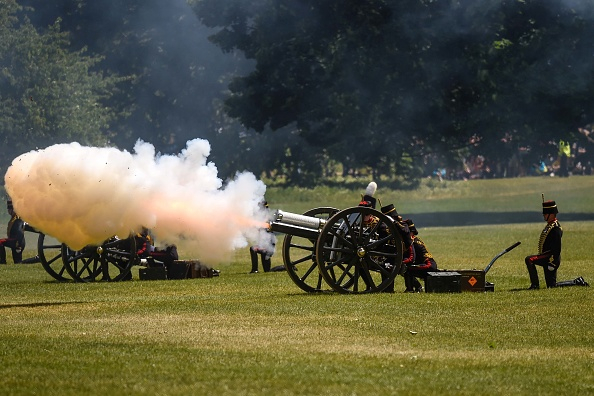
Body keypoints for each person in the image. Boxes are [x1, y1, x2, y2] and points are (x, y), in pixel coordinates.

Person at [525, 199, 589, 289]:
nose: (544, 215)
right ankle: (576, 281)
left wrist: (552, 263)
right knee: (551, 286)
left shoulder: (556, 228)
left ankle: (535, 285)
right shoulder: (550, 225)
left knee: (529, 259)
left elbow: (557, 249)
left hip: (551, 258)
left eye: (546, 213)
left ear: (551, 214)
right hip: (547, 256)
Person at [402, 219, 438, 293]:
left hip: (428, 265)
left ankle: (410, 290)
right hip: (427, 264)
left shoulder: (413, 242)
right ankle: (416, 287)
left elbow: (411, 257)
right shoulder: (415, 239)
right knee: (409, 269)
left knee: (407, 270)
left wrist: (402, 262)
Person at [0, 200, 33, 264]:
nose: (9, 211)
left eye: (10, 209)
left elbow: (19, 231)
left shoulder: (18, 219)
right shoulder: (13, 218)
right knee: (17, 262)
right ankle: (36, 259)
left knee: (0, 242)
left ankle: (2, 261)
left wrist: (18, 244)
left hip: (17, 242)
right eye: (8, 209)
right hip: (14, 241)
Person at [250, 201, 276, 273]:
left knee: (253, 249)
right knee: (268, 271)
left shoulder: (267, 218)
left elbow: (269, 234)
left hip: (268, 246)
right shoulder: (263, 217)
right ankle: (254, 269)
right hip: (265, 245)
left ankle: (255, 270)